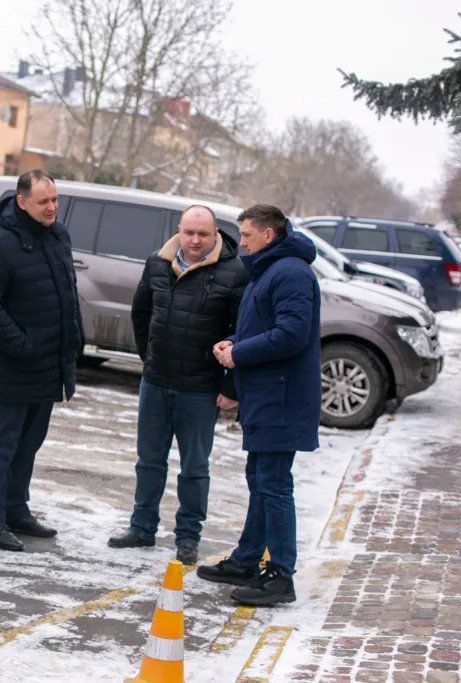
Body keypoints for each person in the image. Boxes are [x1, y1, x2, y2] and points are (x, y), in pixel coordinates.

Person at [107, 205, 248, 566]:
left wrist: (230, 386)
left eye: (203, 234)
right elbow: (141, 313)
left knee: (195, 468)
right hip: (156, 381)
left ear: (216, 234)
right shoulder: (157, 262)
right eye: (189, 233)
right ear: (179, 232)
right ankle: (141, 527)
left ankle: (188, 537)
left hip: (200, 389)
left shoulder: (234, 273)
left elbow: (240, 335)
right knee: (149, 461)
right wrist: (149, 356)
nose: (196, 240)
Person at [198, 204, 321, 606]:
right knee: (261, 479)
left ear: (269, 235)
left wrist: (239, 354)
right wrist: (236, 342)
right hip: (267, 394)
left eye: (247, 235)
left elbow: (291, 334)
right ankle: (248, 559)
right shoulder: (269, 269)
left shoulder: (290, 273)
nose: (241, 242)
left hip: (281, 397)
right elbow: (266, 326)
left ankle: (280, 575)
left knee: (274, 484)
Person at [0, 169, 84, 552]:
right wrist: (22, 345)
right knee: (2, 444)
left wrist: (71, 342)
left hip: (49, 364)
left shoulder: (58, 236)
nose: (52, 207)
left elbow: (67, 291)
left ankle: (17, 509)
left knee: (30, 443)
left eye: (54, 200)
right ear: (21, 202)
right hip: (14, 365)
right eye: (43, 201)